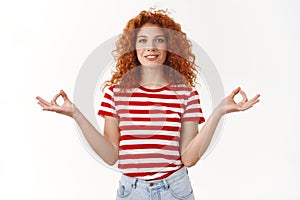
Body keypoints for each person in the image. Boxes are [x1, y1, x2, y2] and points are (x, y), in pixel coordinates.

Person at [36, 9, 260, 200]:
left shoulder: (186, 94)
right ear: (133, 48)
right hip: (131, 191)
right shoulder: (116, 94)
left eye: (159, 40)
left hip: (175, 190)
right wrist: (76, 114)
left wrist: (219, 112)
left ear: (170, 47)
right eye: (142, 40)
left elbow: (189, 158)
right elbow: (111, 155)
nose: (150, 47)